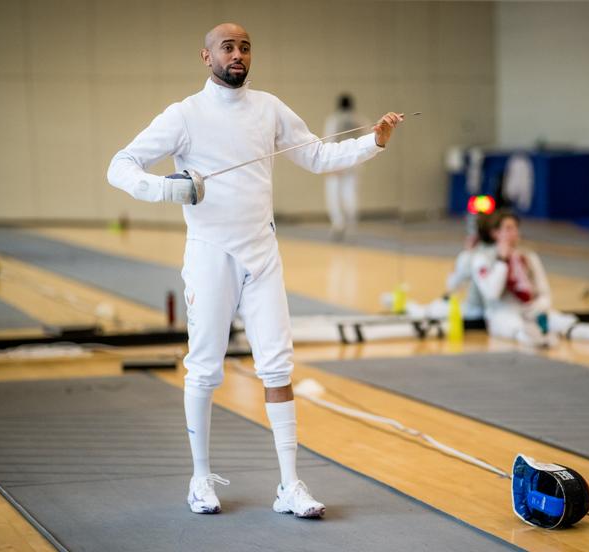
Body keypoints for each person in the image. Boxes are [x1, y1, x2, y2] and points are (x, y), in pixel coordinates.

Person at [107, 23, 403, 519]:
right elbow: (120, 164)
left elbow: (316, 155)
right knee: (205, 368)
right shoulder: (184, 115)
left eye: (244, 47)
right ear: (206, 56)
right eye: (227, 48)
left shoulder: (269, 108)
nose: (238, 55)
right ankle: (200, 479)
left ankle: (289, 485)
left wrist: (373, 142)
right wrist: (164, 189)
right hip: (209, 253)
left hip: (261, 253)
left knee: (278, 367)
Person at [472, 210, 589, 347]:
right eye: (508, 228)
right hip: (502, 313)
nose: (515, 232)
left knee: (563, 322)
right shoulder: (482, 259)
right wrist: (502, 261)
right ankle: (536, 338)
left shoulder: (528, 257)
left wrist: (539, 307)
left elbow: (544, 292)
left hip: (531, 310)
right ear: (494, 233)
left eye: (516, 228)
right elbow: (491, 294)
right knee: (514, 325)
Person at [323, 94, 368, 240]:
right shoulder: (359, 119)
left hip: (337, 161)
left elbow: (329, 140)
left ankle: (338, 224)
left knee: (334, 194)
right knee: (351, 194)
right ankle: (351, 226)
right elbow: (368, 136)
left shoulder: (334, 119)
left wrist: (330, 165)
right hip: (354, 162)